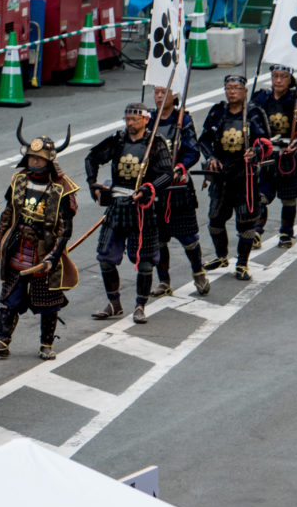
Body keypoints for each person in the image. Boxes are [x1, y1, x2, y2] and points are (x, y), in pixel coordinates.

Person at [0, 125, 80, 361]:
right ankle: (2, 341)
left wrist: (53, 256)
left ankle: (46, 345)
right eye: (31, 157)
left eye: (39, 159)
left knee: (49, 301)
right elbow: (8, 214)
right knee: (9, 297)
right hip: (18, 246)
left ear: (49, 161)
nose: (35, 162)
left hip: (45, 249)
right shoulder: (19, 180)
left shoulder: (63, 188)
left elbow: (65, 229)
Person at [84, 101, 175, 323]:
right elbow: (92, 157)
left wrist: (148, 188)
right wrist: (93, 184)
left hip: (143, 208)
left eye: (134, 119)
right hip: (117, 204)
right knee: (105, 258)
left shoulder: (156, 144)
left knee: (144, 261)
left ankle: (140, 305)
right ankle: (114, 303)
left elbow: (167, 174)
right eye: (127, 119)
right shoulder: (118, 140)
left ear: (146, 120)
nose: (130, 123)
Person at [198, 75, 271, 280]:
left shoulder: (254, 113)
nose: (232, 92)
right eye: (228, 87)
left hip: (245, 176)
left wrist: (255, 152)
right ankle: (221, 256)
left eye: (236, 88)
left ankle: (242, 263)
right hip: (221, 175)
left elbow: (266, 142)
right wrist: (210, 157)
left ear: (244, 91)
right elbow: (204, 140)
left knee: (246, 223)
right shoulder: (217, 112)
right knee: (215, 220)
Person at [149, 84, 212, 297]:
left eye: (163, 92)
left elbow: (192, 151)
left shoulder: (182, 120)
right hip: (155, 188)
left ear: (174, 95)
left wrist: (180, 167)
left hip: (178, 188)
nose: (159, 96)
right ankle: (164, 281)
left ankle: (198, 272)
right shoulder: (148, 119)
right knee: (158, 238)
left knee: (188, 238)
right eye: (156, 92)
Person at [252, 64, 297, 248]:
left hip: (288, 155)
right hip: (266, 154)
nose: (278, 80)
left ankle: (286, 234)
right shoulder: (261, 97)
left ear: (290, 79)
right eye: (275, 76)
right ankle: (256, 230)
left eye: (283, 76)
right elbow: (251, 121)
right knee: (261, 195)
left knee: (288, 198)